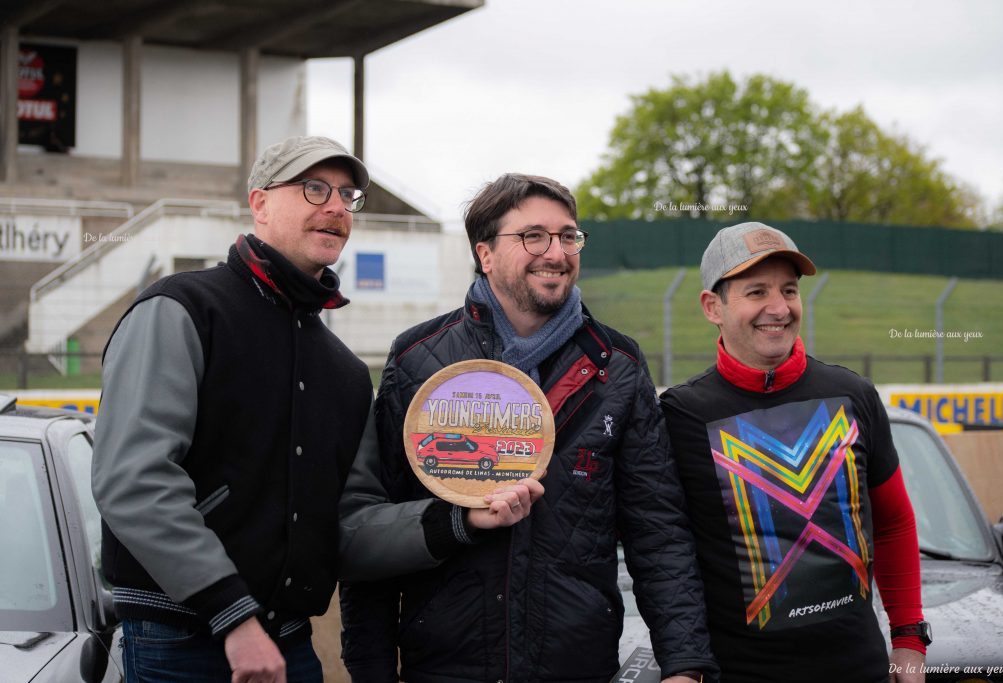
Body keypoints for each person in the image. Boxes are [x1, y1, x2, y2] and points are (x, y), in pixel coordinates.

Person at [92, 136, 541, 683]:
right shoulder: (181, 309)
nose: (334, 206)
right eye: (313, 189)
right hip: (182, 641)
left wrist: (460, 519)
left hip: (288, 647)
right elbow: (132, 480)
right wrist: (235, 616)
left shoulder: (346, 373)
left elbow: (349, 530)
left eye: (346, 195)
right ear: (259, 203)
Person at [339, 173, 718, 683]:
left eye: (568, 236)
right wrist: (372, 671)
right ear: (486, 254)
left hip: (576, 664)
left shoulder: (618, 365)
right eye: (533, 236)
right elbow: (373, 531)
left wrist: (684, 663)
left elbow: (658, 528)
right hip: (449, 666)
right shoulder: (419, 361)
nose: (556, 252)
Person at [660, 222, 928, 683]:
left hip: (859, 670)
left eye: (789, 289)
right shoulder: (680, 414)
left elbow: (895, 520)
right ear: (713, 307)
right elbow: (664, 551)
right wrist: (684, 665)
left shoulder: (853, 393)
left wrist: (908, 640)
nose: (778, 308)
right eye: (757, 291)